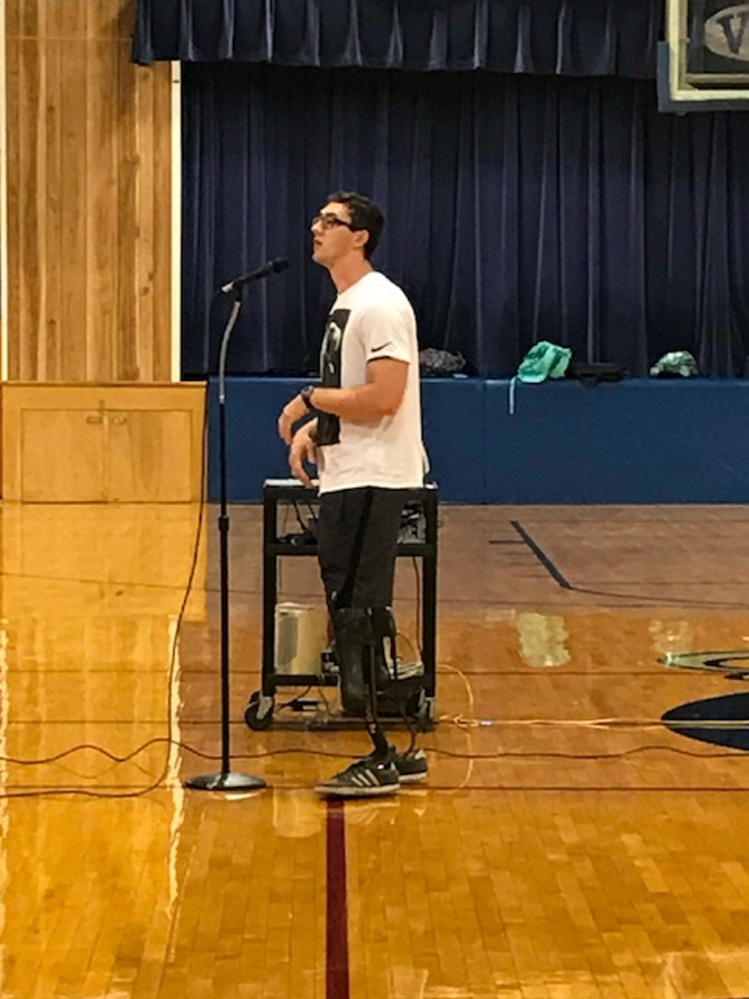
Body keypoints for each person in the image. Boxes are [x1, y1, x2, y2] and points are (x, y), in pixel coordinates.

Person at [277, 190, 428, 798]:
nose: (316, 228)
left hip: (373, 478)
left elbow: (385, 396)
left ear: (360, 236)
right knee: (353, 608)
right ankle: (394, 749)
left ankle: (379, 751)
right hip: (348, 472)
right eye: (316, 218)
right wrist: (318, 430)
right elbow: (355, 398)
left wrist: (311, 400)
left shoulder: (380, 302)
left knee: (357, 613)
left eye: (330, 221)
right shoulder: (348, 305)